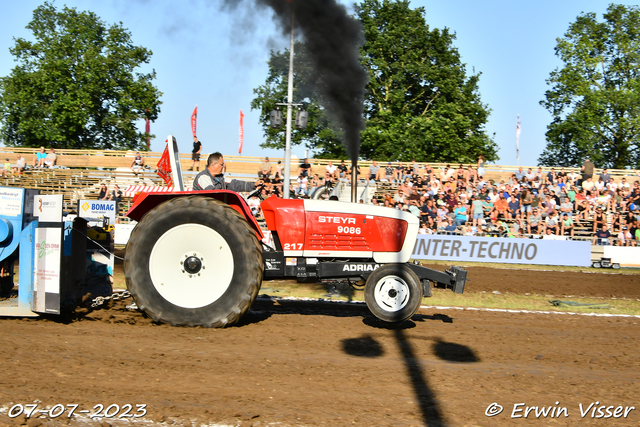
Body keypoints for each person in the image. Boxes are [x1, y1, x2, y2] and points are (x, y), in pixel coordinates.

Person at [193, 152, 262, 192]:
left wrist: (254, 185)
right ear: (214, 165)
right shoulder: (203, 177)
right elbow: (213, 193)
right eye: (221, 164)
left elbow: (236, 184)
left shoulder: (220, 178)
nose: (223, 166)